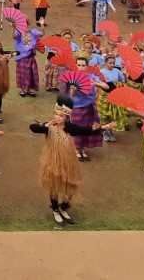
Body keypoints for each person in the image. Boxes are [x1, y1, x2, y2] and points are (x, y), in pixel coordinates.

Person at [27, 96, 114, 225]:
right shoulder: (49, 127)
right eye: (56, 114)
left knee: (70, 186)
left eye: (61, 115)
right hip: (53, 163)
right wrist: (45, 125)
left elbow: (85, 131)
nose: (58, 117)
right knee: (55, 187)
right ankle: (56, 210)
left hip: (68, 163)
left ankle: (63, 208)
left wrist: (102, 127)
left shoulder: (70, 128)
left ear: (66, 117)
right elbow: (33, 128)